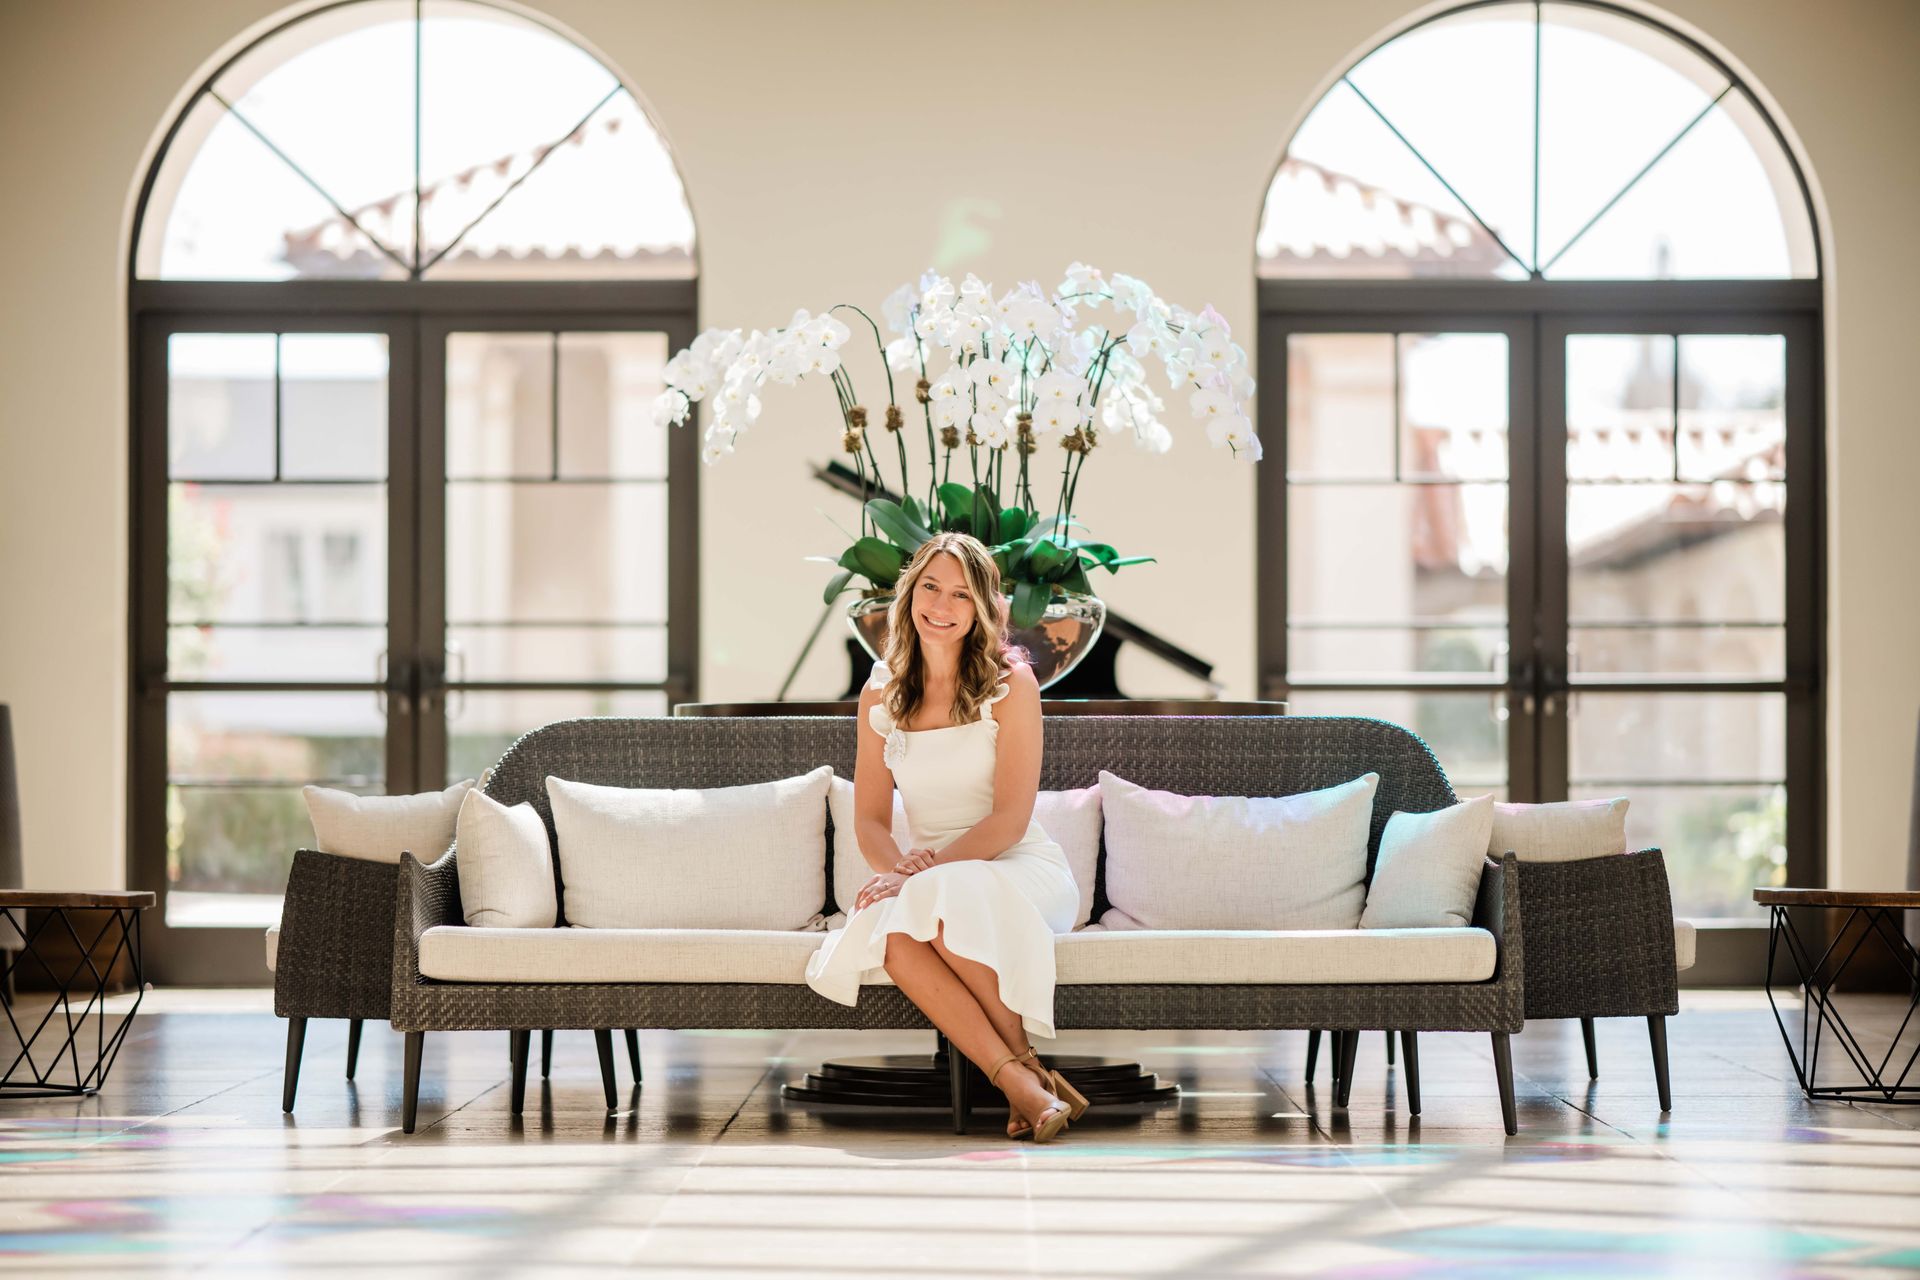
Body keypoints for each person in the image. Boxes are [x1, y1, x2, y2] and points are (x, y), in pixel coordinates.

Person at [804, 532, 1087, 1141]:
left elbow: (1010, 819)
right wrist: (897, 874)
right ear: (909, 594)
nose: (942, 603)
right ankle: (1023, 1081)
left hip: (1017, 869)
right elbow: (872, 821)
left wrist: (915, 876)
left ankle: (1029, 1082)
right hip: (934, 878)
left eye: (961, 593)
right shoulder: (880, 694)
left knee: (939, 900)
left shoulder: (1012, 686)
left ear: (983, 608)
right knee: (899, 939)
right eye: (930, 586)